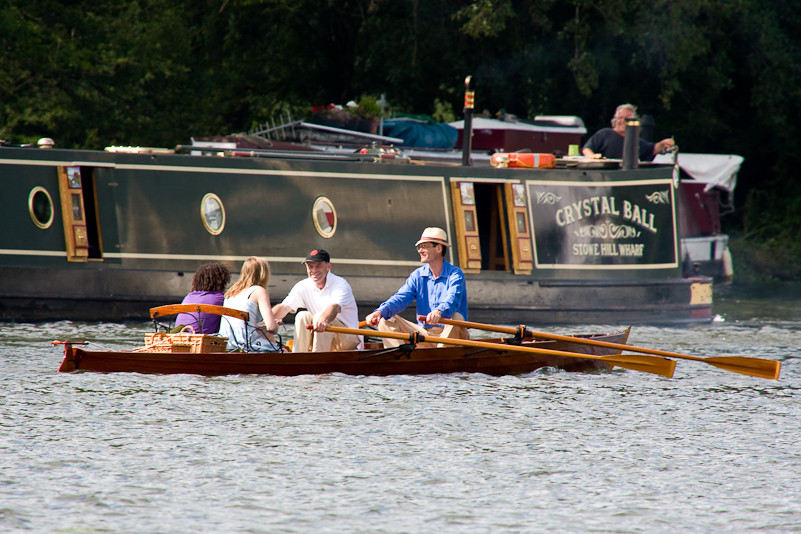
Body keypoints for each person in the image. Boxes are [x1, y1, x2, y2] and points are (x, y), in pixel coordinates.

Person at [365, 227, 469, 348]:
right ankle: (399, 360)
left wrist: (439, 311)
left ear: (439, 248)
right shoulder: (417, 275)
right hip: (425, 334)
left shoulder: (456, 274)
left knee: (456, 317)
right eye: (419, 247)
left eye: (424, 247)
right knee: (385, 320)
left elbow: (452, 299)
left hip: (451, 334)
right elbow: (400, 298)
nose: (420, 251)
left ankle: (440, 354)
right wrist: (379, 312)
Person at [272, 249, 362, 352]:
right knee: (302, 316)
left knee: (320, 315)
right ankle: (298, 358)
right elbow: (284, 307)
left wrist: (323, 319)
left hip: (349, 339)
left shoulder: (341, 284)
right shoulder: (303, 286)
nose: (314, 270)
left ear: (328, 266)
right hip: (321, 334)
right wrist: (266, 320)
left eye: (318, 266)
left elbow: (334, 307)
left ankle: (316, 360)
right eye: (310, 266)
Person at [218, 257, 280, 352]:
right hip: (248, 346)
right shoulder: (259, 291)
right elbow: (271, 328)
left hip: (227, 344)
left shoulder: (230, 292)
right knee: (281, 347)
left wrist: (262, 324)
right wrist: (276, 324)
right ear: (264, 274)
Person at [582, 104, 675, 161]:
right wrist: (593, 157)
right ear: (615, 120)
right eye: (620, 118)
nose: (622, 121)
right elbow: (587, 149)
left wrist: (663, 143)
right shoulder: (604, 134)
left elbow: (653, 149)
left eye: (627, 118)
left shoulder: (636, 142)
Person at [174, 262, 231, 334]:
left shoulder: (189, 296)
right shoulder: (220, 298)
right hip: (202, 340)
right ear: (221, 282)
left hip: (179, 338)